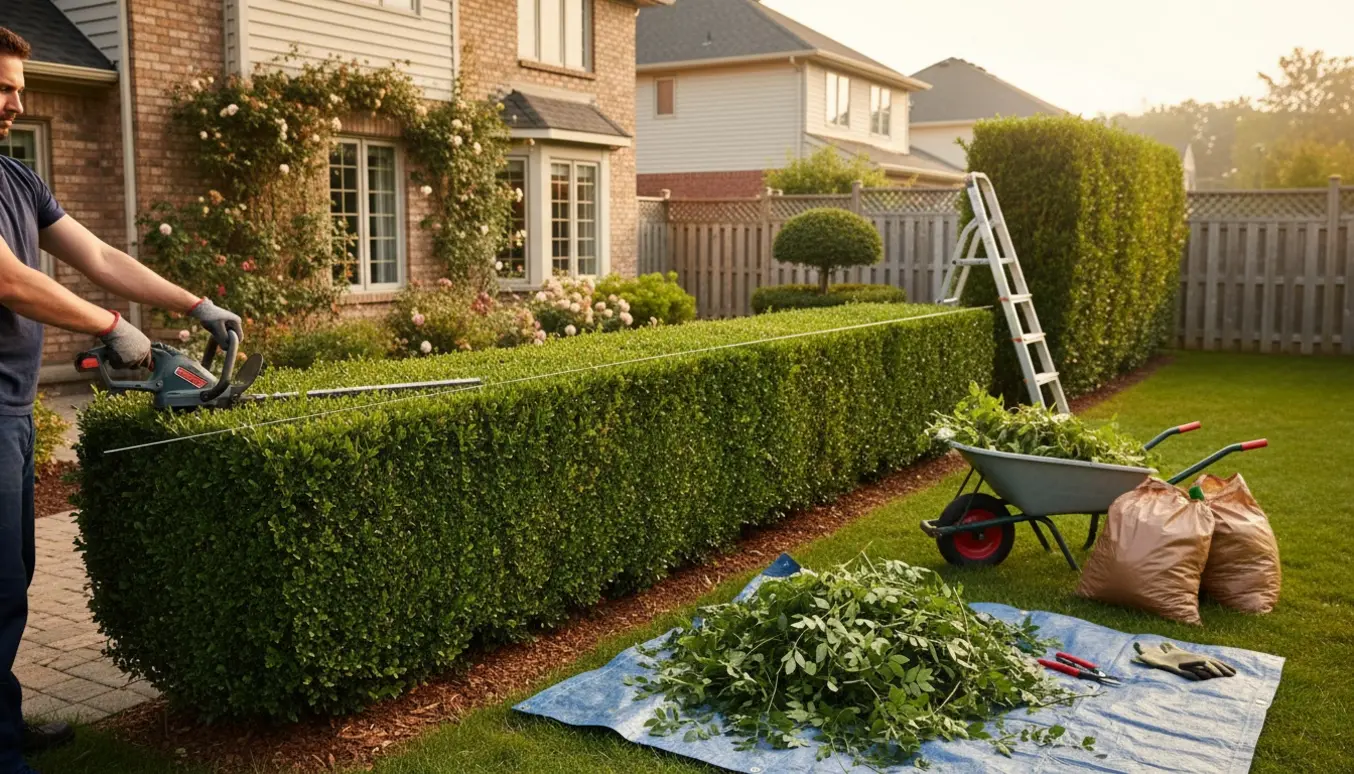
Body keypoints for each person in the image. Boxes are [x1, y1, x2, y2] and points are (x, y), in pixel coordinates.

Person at [0, 27, 242, 773]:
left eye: (18, 87)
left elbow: (99, 255)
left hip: (10, 412)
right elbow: (6, 277)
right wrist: (113, 329)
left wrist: (194, 303)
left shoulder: (17, 180)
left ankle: (1, 726)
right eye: (2, 88)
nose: (16, 101)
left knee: (12, 583)